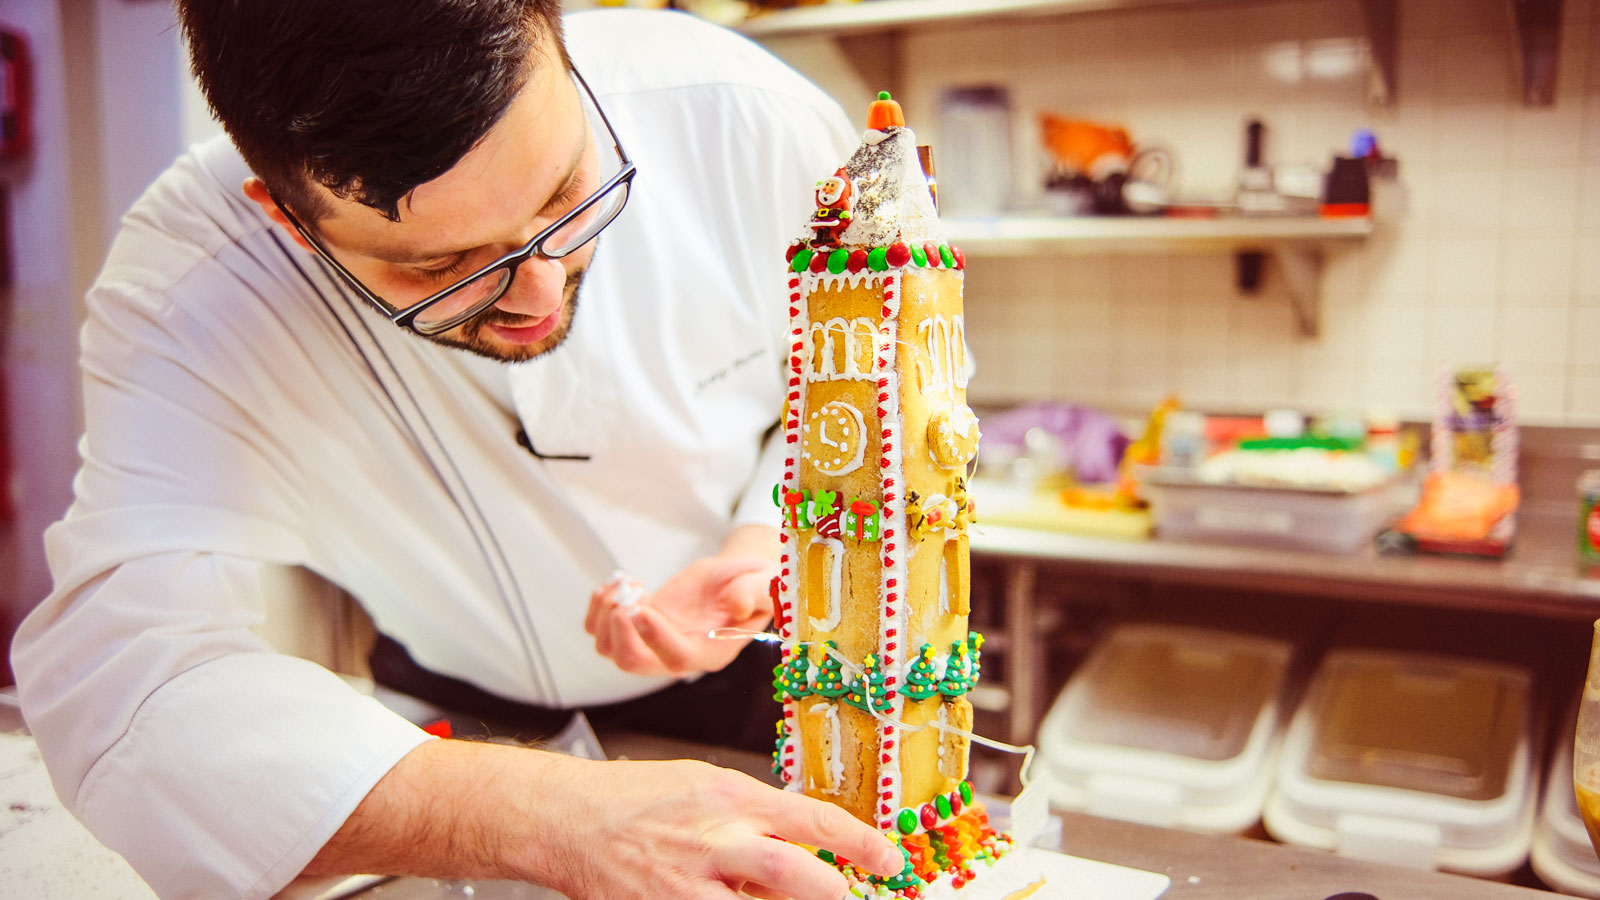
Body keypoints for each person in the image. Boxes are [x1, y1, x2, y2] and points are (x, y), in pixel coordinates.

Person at [10, 2, 904, 899]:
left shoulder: (749, 116)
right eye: (443, 268)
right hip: (446, 751)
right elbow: (121, 676)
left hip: (756, 700)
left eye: (566, 195)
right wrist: (542, 817)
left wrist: (762, 543)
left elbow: (878, 388)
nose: (540, 292)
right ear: (286, 217)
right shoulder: (193, 284)